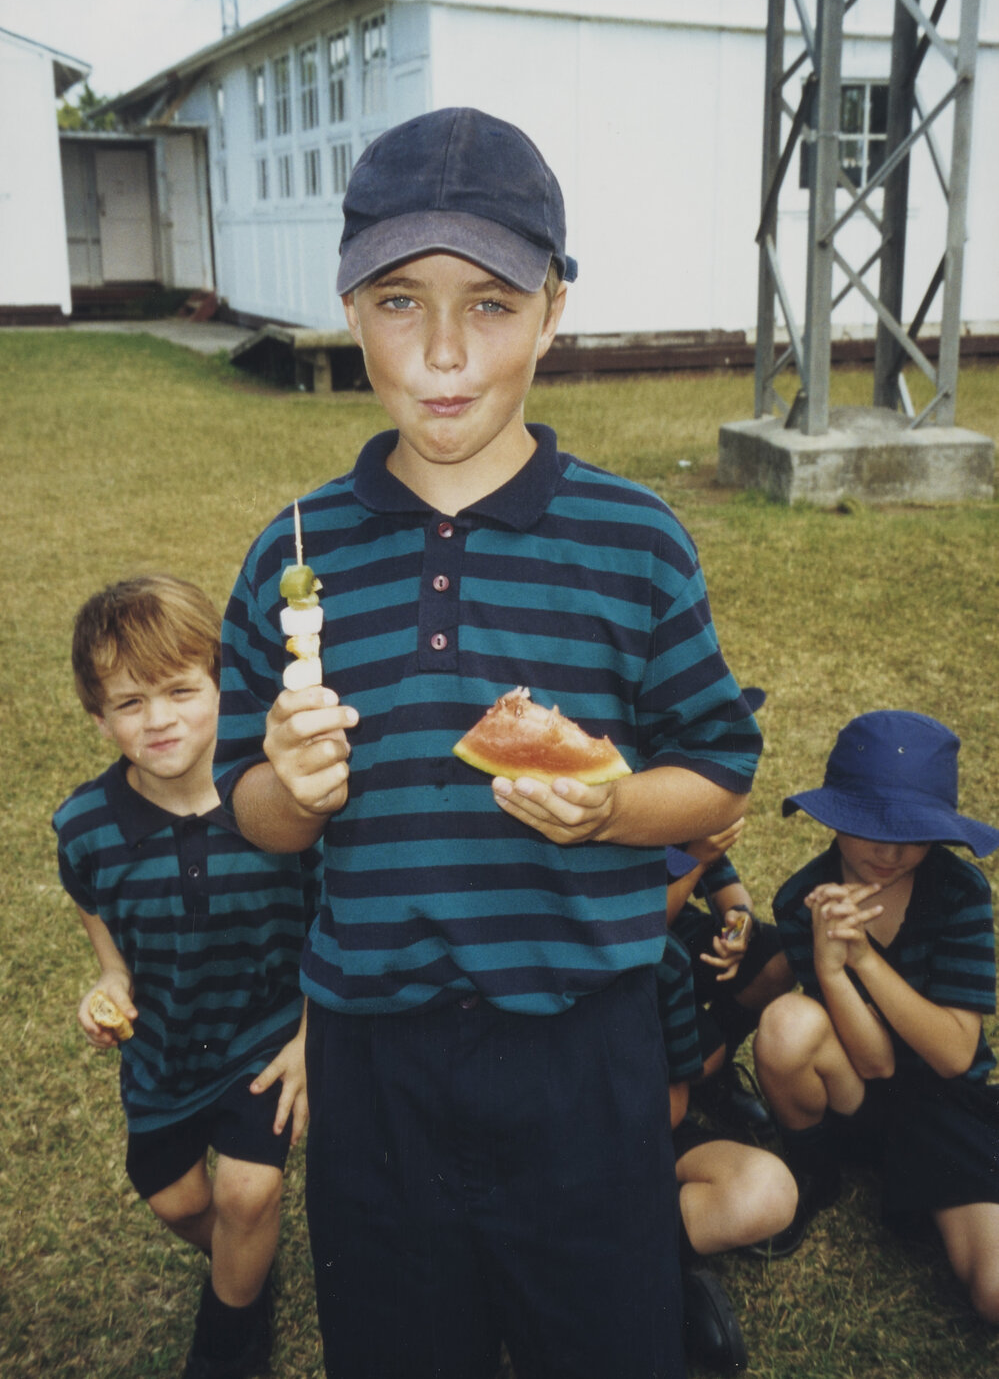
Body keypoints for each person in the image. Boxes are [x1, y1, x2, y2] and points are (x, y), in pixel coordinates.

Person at [214, 105, 763, 1379]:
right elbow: (249, 806)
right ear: (351, 312)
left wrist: (615, 809)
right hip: (374, 1057)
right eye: (401, 304)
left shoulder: (635, 542)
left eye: (493, 304)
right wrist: (290, 795)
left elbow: (718, 766)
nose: (445, 352)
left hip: (585, 1049)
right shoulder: (293, 552)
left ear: (554, 312)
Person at [53, 576, 317, 1379]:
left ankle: (229, 1341)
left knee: (246, 1194)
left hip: (264, 1038)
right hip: (163, 1054)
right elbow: (92, 903)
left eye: (179, 690)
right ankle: (247, 1263)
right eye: (129, 704)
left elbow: (333, 924)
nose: (158, 719)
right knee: (179, 1202)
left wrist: (311, 1037)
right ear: (98, 717)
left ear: (227, 686)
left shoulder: (282, 807)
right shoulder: (85, 825)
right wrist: (109, 981)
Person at [752, 710, 999, 1326]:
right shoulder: (802, 899)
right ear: (833, 815)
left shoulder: (958, 893)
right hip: (857, 1098)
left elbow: (952, 1056)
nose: (889, 852)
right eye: (869, 827)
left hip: (946, 1108)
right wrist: (830, 971)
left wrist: (860, 955)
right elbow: (876, 1062)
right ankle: (815, 1172)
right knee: (786, 1022)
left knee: (992, 1290)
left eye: (913, 834)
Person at [656, 932, 797, 1373]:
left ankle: (637, 1255)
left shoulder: (663, 959)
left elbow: (676, 1098)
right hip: (519, 1152)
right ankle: (645, 1277)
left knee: (768, 1188)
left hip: (632, 1134)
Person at [665, 733, 795, 1139]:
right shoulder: (633, 810)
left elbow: (730, 893)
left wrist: (738, 930)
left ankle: (711, 1075)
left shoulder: (690, 812)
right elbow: (639, 927)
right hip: (636, 953)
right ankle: (691, 1077)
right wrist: (697, 859)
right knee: (704, 1058)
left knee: (774, 954)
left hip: (673, 939)